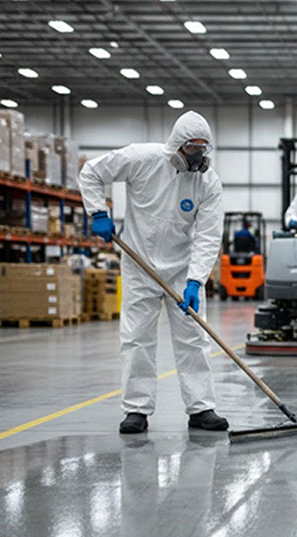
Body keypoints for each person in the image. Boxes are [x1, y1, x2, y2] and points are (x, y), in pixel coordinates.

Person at [79, 111, 229, 434]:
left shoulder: (208, 183)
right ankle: (136, 409)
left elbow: (208, 235)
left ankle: (201, 408)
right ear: (176, 146)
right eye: (192, 149)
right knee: (137, 339)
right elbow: (91, 172)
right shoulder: (141, 159)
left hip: (181, 269)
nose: (198, 157)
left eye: (203, 150)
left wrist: (195, 279)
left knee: (193, 338)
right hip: (139, 264)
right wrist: (97, 211)